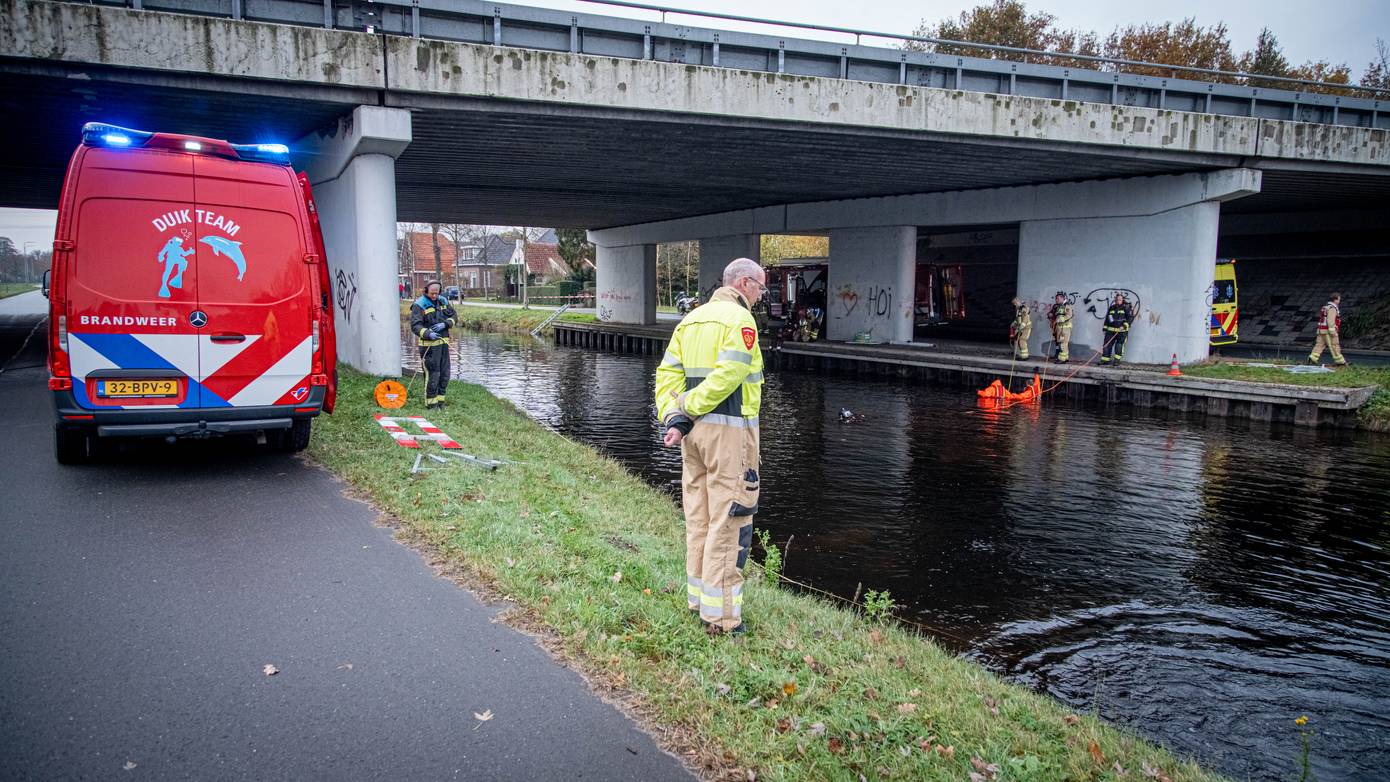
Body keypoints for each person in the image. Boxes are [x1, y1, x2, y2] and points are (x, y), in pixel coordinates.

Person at [655, 258, 766, 637]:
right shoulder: (741, 321)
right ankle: (721, 619)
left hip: (694, 436)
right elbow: (729, 376)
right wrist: (690, 405)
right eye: (762, 288)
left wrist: (675, 418)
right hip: (730, 437)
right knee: (730, 520)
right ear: (745, 284)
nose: (761, 296)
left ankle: (698, 601)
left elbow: (667, 374)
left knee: (699, 517)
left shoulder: (691, 320)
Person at [409, 279, 457, 408]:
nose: (434, 296)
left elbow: (454, 317)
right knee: (433, 375)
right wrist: (428, 334)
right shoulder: (419, 305)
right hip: (428, 347)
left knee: (445, 374)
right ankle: (431, 405)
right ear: (426, 291)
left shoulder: (443, 301)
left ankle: (440, 402)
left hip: (443, 344)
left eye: (437, 293)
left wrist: (445, 324)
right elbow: (415, 326)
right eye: (432, 293)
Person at [1308, 292, 1348, 366]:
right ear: (1335, 300)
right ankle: (1340, 362)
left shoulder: (1325, 307)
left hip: (1321, 330)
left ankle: (1312, 359)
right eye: (1339, 299)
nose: (1339, 301)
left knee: (1319, 345)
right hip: (1328, 331)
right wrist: (1333, 331)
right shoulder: (1332, 308)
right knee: (1334, 345)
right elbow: (1331, 320)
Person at [1100, 292, 1136, 366]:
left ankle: (1116, 361)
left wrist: (1124, 325)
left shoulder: (1126, 307)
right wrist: (1105, 328)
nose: (1118, 300)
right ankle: (1105, 360)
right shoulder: (1111, 308)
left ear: (1123, 300)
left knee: (1119, 346)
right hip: (1110, 331)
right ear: (1115, 300)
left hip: (1121, 331)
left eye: (1120, 299)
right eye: (1117, 299)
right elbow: (1108, 318)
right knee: (1106, 345)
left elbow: (1130, 318)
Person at [1048, 291, 1073, 363]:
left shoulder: (1066, 306)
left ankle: (1061, 359)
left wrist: (1060, 319)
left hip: (1064, 328)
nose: (1056, 300)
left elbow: (1069, 315)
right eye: (1056, 299)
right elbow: (1055, 314)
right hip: (1060, 328)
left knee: (1062, 343)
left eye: (1058, 299)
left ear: (1063, 298)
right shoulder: (1059, 306)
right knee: (1063, 343)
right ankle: (1065, 357)